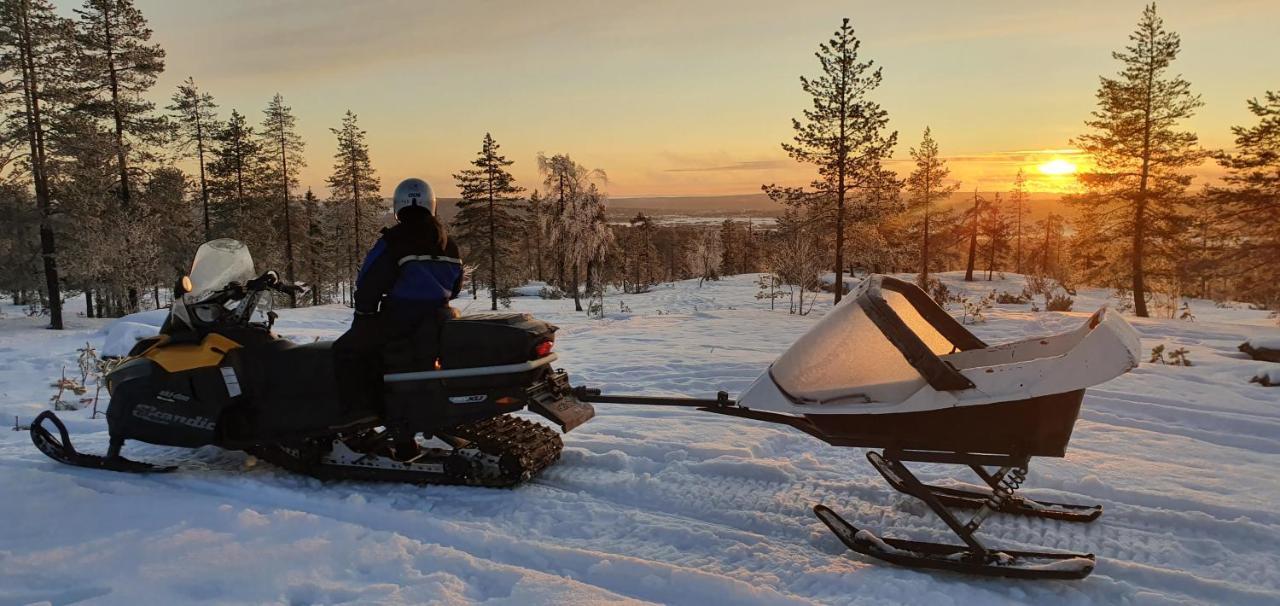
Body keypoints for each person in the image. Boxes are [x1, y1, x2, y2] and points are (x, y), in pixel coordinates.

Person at [334, 178, 463, 415]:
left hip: (401, 318)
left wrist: (364, 313)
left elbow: (369, 282)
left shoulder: (393, 241)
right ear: (430, 204)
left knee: (345, 351)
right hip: (440, 317)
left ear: (398, 206)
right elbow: (455, 287)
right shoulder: (449, 244)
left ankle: (362, 414)